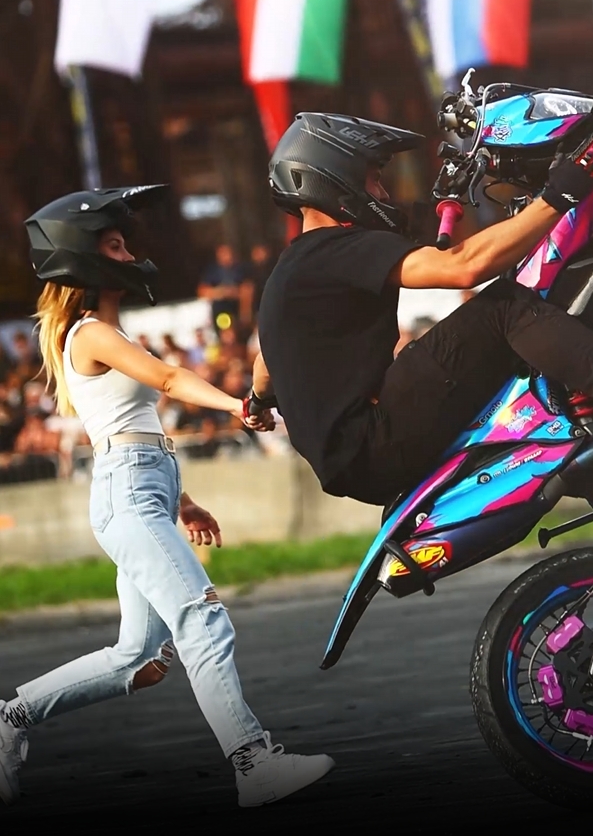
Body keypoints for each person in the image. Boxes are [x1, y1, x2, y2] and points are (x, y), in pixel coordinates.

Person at [0, 184, 334, 808]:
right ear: (82, 255)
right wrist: (237, 406)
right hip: (126, 496)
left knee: (138, 658)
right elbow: (171, 379)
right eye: (116, 245)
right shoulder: (89, 333)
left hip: (142, 492)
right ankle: (253, 762)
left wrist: (182, 501)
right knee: (202, 620)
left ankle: (10, 718)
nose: (130, 256)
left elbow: (136, 430)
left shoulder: (109, 332)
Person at [245, 110, 593, 508]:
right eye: (375, 179)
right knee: (505, 307)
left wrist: (257, 402)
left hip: (355, 463)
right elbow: (465, 267)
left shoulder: (292, 270)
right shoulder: (336, 248)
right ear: (336, 176)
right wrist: (560, 194)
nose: (383, 194)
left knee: (513, 343)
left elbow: (266, 364)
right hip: (375, 439)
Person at [197, 244, 248, 331]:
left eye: (227, 253)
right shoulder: (212, 271)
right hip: (219, 311)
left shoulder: (240, 270)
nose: (226, 256)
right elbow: (202, 292)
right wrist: (221, 292)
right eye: (222, 253)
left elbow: (247, 289)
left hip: (237, 310)